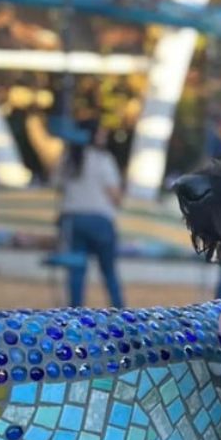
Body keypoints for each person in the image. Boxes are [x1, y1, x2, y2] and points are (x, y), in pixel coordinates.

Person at [53, 122, 126, 308]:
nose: (104, 138)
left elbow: (57, 185)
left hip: (72, 220)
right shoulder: (103, 159)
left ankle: (75, 312)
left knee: (76, 271)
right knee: (108, 270)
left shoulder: (68, 159)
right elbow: (114, 195)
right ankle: (119, 310)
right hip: (99, 220)